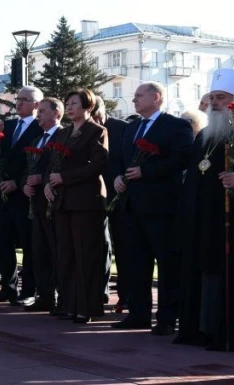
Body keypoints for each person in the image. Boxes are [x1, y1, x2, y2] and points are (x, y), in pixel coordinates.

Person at [111, 82, 192, 336]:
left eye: (139, 95)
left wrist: (146, 171)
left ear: (156, 97)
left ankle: (167, 318)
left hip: (161, 206)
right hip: (131, 205)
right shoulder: (132, 127)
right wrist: (117, 177)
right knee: (135, 262)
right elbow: (119, 159)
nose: (133, 100)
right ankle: (138, 313)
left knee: (166, 263)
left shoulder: (176, 125)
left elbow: (181, 159)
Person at [176, 68, 234, 351]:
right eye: (212, 98)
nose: (214, 103)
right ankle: (198, 329)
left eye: (221, 98)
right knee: (199, 273)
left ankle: (228, 331)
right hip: (201, 219)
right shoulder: (205, 134)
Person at [44, 88, 108, 324]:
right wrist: (48, 184)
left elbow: (98, 164)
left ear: (87, 106)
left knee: (85, 254)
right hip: (62, 200)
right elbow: (53, 161)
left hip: (85, 200)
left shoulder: (97, 131)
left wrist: (64, 178)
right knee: (66, 254)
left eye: (74, 103)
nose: (69, 107)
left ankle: (87, 307)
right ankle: (68, 304)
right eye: (67, 103)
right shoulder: (64, 133)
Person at [0, 86, 44, 305]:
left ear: (36, 105)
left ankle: (29, 289)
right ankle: (8, 287)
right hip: (1, 194)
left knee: (29, 244)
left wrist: (18, 183)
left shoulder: (40, 128)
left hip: (24, 195)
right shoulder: (7, 126)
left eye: (25, 99)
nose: (18, 103)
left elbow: (37, 161)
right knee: (1, 241)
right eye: (17, 98)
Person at [22, 98, 64, 313]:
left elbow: (61, 166)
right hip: (36, 202)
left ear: (57, 114)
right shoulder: (37, 139)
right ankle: (44, 294)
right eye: (37, 111)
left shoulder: (63, 136)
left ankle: (61, 296)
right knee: (40, 251)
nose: (37, 115)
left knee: (56, 250)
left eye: (43, 111)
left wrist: (43, 179)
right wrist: (25, 185)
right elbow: (27, 169)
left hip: (54, 202)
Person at [93, 96, 128, 312]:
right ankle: (97, 292)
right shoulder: (81, 131)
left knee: (123, 248)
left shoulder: (121, 128)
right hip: (91, 196)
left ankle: (125, 294)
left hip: (118, 195)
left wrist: (119, 177)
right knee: (96, 246)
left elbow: (126, 159)